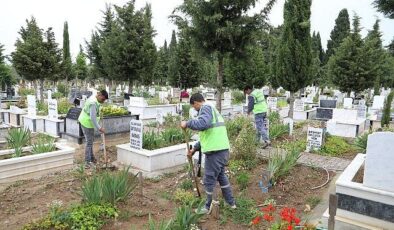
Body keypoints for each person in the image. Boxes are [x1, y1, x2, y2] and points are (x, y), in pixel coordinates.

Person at [180, 93, 236, 214]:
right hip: (222, 149)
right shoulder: (213, 110)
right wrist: (194, 149)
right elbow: (207, 135)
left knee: (209, 179)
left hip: (215, 152)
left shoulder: (205, 108)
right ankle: (231, 203)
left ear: (196, 102)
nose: (195, 109)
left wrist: (187, 123)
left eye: (194, 106)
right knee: (221, 176)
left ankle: (207, 207)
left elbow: (202, 124)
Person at [78, 90, 108, 167]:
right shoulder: (93, 103)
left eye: (104, 100)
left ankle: (91, 158)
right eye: (103, 99)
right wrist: (99, 128)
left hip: (88, 122)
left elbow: (95, 112)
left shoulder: (95, 98)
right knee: (89, 142)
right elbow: (92, 118)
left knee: (90, 141)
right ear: (100, 95)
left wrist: (99, 111)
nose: (103, 101)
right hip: (86, 123)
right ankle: (87, 162)